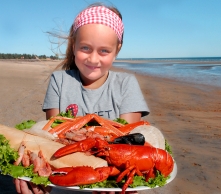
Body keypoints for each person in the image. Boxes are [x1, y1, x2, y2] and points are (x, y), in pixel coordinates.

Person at [14, 3, 149, 194]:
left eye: (104, 51)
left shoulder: (126, 84)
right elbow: (51, 136)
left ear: (117, 50)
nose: (93, 59)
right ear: (73, 44)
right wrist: (32, 169)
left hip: (108, 175)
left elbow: (128, 144)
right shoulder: (60, 81)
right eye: (85, 48)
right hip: (64, 180)